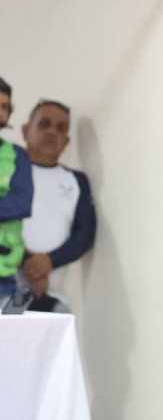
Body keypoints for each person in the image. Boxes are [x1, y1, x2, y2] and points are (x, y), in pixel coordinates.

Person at [18, 99, 97, 312]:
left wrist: (50, 261)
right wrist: (29, 265)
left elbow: (84, 233)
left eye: (61, 128)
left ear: (66, 142)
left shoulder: (76, 182)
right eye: (44, 124)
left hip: (51, 297)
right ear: (25, 130)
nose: (52, 132)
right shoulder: (6, 173)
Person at [0, 77, 34, 302]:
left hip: (3, 273)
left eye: (5, 107)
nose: (1, 112)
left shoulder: (17, 156)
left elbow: (22, 203)